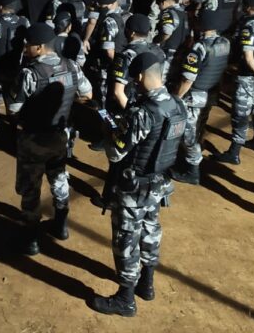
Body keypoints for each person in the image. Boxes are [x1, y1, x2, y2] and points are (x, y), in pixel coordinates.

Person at [91, 52, 187, 316]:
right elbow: (188, 145)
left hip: (134, 189)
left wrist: (108, 125)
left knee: (126, 239)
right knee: (150, 230)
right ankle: (147, 283)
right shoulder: (178, 105)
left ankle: (125, 298)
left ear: (142, 76)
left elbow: (115, 152)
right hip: (159, 184)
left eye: (135, 77)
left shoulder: (142, 113)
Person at [8, 23, 92, 255]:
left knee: (31, 187)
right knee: (58, 177)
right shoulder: (72, 67)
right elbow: (88, 93)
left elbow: (14, 109)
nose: (25, 48)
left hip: (33, 140)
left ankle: (32, 239)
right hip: (59, 136)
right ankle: (61, 225)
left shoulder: (29, 73)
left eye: (28, 45)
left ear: (39, 47)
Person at [169, 9, 230, 185]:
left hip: (194, 97)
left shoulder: (200, 47)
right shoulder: (225, 43)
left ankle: (192, 171)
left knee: (188, 135)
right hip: (210, 94)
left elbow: (188, 79)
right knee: (197, 128)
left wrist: (176, 98)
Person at [215, 0, 254, 164]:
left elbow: (248, 57)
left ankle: (234, 152)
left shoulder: (250, 26)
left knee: (240, 113)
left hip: (250, 75)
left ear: (248, 8)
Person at [0, 0, 30, 140]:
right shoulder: (24, 22)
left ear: (0, 7)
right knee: (13, 101)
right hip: (16, 68)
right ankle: (14, 132)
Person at [84, 0, 126, 108]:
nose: (100, 7)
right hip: (122, 64)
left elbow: (108, 50)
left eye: (102, 5)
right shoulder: (125, 15)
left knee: (102, 98)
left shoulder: (109, 21)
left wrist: (116, 65)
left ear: (112, 4)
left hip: (108, 66)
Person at [154, 0, 189, 79]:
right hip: (181, 51)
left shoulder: (168, 13)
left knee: (162, 78)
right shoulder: (183, 12)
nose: (159, 8)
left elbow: (167, 33)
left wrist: (156, 40)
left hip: (168, 52)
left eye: (159, 5)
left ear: (163, 3)